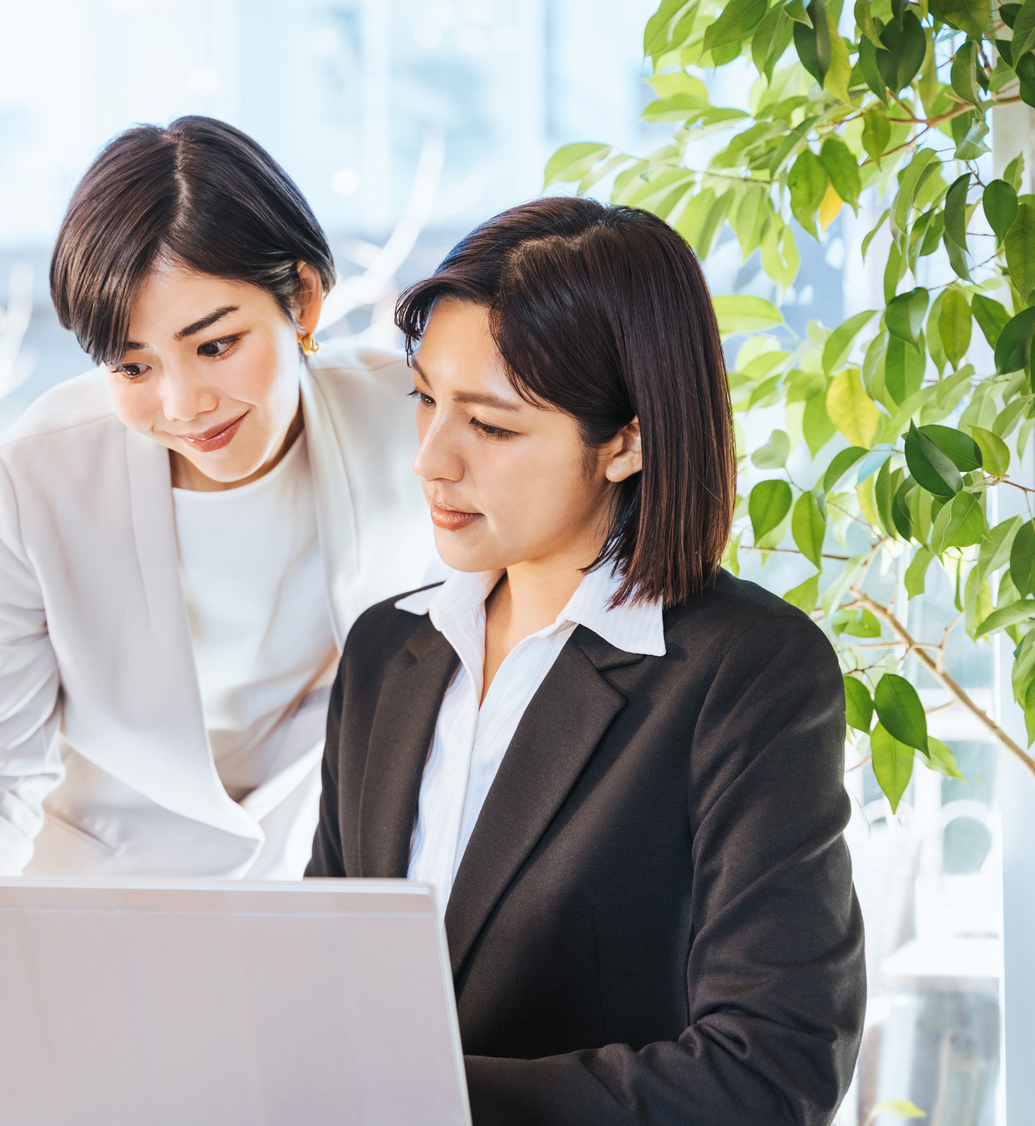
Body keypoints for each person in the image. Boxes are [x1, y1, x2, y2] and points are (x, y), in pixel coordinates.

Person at [0, 116, 435, 1103]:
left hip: (302, 953)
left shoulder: (413, 423)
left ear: (301, 298)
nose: (182, 401)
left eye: (215, 344)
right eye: (132, 366)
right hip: (77, 959)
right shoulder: (33, 477)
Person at [306, 196, 866, 1124]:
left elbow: (771, 1072)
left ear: (627, 440)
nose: (432, 461)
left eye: (489, 426)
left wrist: (416, 1098)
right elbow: (323, 984)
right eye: (426, 400)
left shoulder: (747, 674)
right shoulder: (386, 652)